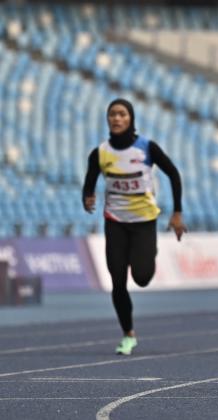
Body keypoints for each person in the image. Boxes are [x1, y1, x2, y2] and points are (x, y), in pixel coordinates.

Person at [82, 98, 186, 355]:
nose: (116, 119)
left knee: (141, 277)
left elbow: (173, 174)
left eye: (122, 114)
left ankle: (149, 253)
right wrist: (88, 197)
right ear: (108, 120)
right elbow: (89, 180)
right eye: (112, 115)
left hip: (144, 222)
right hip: (115, 222)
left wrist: (177, 213)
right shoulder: (100, 153)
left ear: (131, 119)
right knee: (117, 280)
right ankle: (128, 334)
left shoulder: (147, 148)